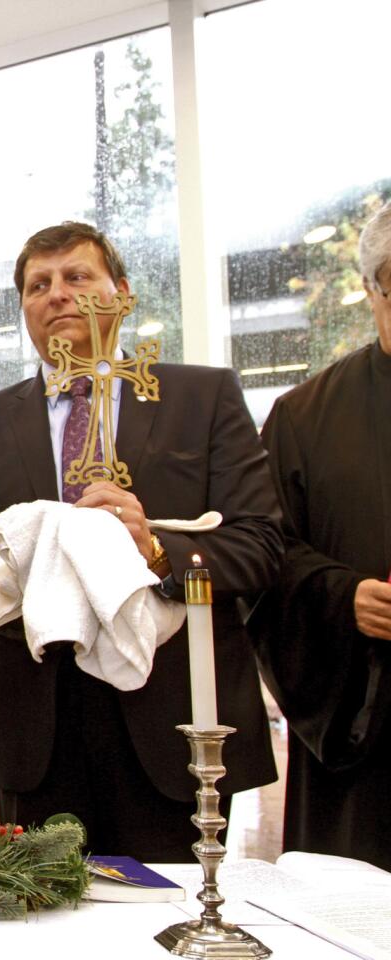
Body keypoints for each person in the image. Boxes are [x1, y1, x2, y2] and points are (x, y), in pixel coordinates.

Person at [0, 221, 282, 860]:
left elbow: (260, 545)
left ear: (121, 293)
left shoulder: (202, 400)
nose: (57, 295)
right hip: (33, 722)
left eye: (78, 277)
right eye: (38, 285)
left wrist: (153, 551)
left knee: (170, 925)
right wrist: (32, 572)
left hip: (174, 718)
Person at [252, 202, 391, 870]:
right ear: (370, 288)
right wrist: (344, 597)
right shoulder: (302, 419)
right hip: (362, 719)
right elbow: (264, 558)